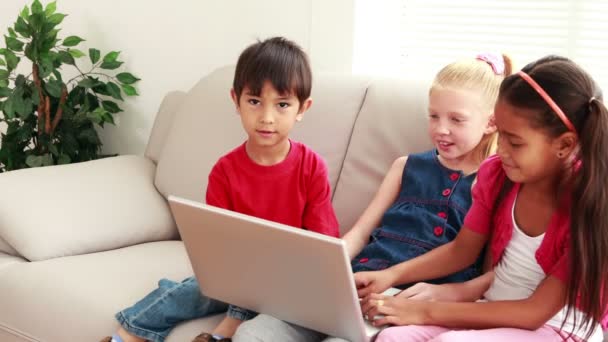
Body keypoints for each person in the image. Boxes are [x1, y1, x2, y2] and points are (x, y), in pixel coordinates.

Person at [231, 53, 512, 342]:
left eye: (456, 120)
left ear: (490, 122)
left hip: (410, 303)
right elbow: (360, 234)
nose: (441, 129)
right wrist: (326, 268)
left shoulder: (497, 183)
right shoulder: (405, 167)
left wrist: (444, 297)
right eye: (433, 116)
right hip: (359, 282)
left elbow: (492, 272)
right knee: (254, 332)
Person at [100, 36, 340, 342]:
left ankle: (228, 329)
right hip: (236, 277)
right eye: (254, 102)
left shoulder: (311, 167)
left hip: (285, 282)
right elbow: (217, 248)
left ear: (302, 108)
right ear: (236, 101)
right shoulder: (225, 170)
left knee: (258, 287)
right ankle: (127, 335)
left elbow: (323, 247)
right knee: (185, 290)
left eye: (282, 105)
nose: (267, 117)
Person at [361, 56, 608, 342]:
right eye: (500, 134)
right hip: (494, 311)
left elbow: (533, 313)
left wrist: (425, 311)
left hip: (558, 328)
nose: (501, 149)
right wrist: (390, 275)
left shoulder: (592, 205)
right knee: (392, 337)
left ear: (564, 145)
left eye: (514, 142)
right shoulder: (498, 174)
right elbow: (461, 251)